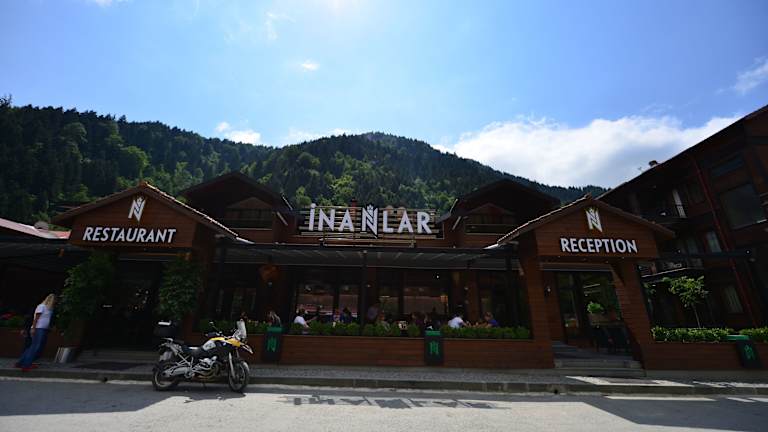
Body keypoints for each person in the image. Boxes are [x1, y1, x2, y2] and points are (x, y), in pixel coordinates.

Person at [17, 294, 55, 371]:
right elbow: (36, 318)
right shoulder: (42, 306)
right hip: (38, 328)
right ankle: (26, 365)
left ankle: (21, 362)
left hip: (43, 329)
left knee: (34, 346)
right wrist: (33, 328)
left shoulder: (49, 309)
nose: (55, 302)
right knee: (35, 347)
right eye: (54, 301)